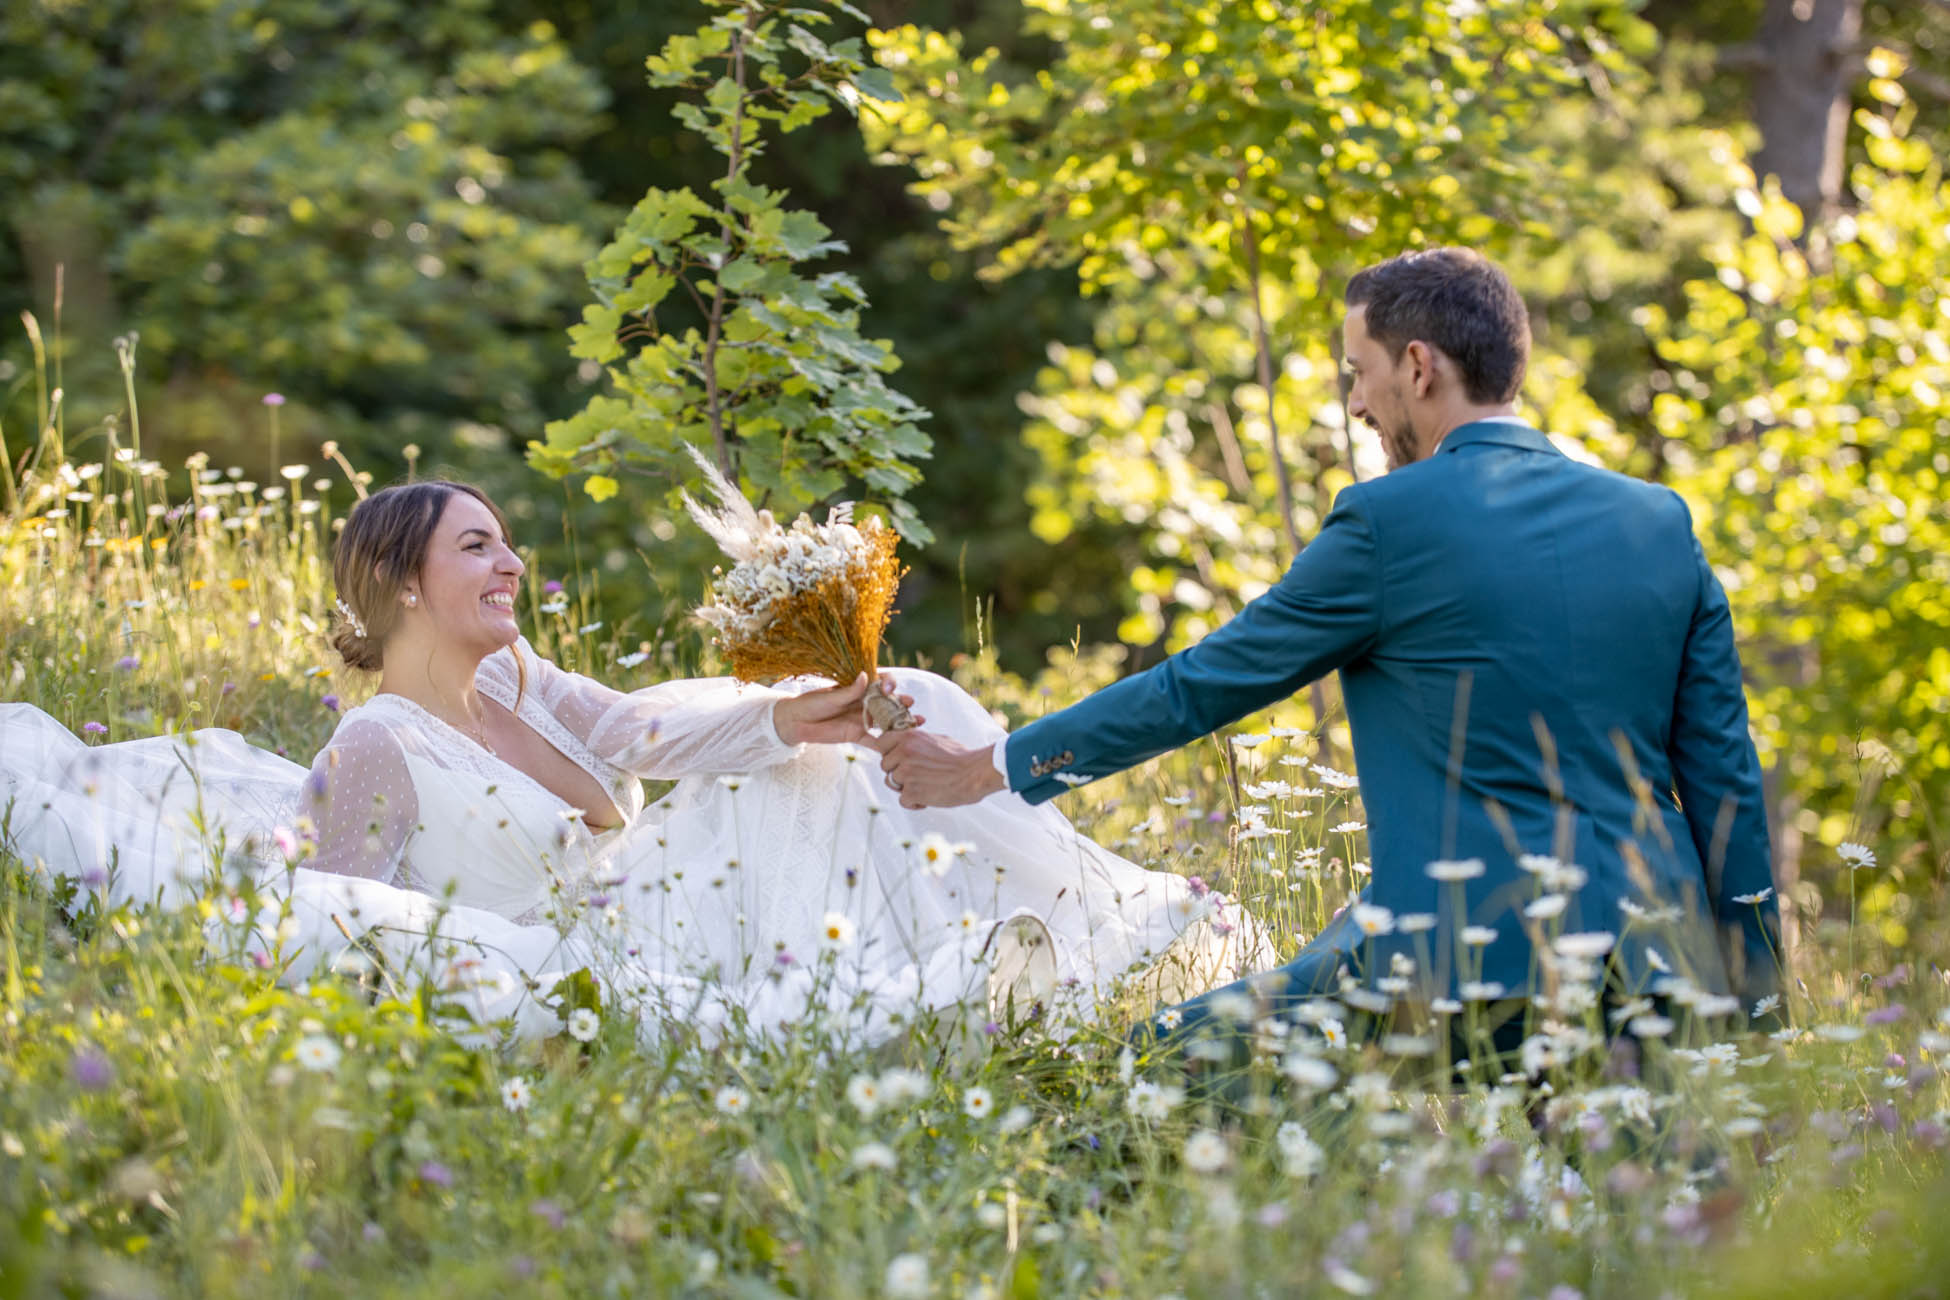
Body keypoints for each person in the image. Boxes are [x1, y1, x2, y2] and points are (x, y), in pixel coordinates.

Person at [873, 248, 1786, 1061]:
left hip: (1459, 962)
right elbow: (1725, 781)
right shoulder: (1659, 522)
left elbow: (1201, 689)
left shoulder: (1388, 521)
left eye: (1360, 372)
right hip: (1658, 967)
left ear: (1418, 368)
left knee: (1147, 1074)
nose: (1354, 401)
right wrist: (1759, 1004)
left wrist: (987, 767)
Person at [0, 481, 1269, 1045]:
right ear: (399, 582)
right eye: (477, 549)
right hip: (594, 945)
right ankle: (1042, 953)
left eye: (505, 545)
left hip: (650, 889)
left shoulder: (514, 675)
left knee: (904, 707)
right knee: (857, 758)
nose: (508, 567)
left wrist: (813, 712)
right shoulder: (370, 746)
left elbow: (641, 736)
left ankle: (1105, 921)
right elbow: (342, 919)